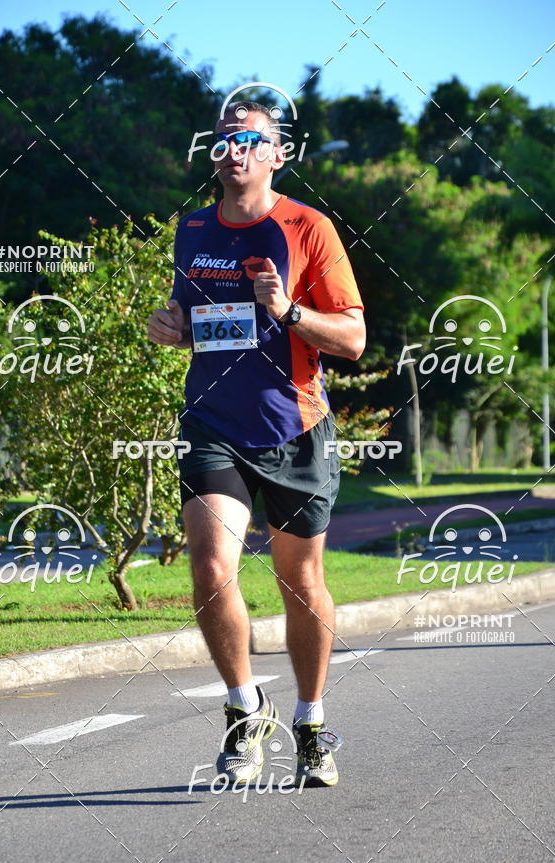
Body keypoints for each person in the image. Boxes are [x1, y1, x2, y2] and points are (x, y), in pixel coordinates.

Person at [147, 100, 366, 787]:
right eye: (224, 139)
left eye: (250, 140)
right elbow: (202, 322)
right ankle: (245, 712)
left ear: (276, 154)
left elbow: (355, 340)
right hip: (213, 424)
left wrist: (288, 310)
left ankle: (309, 721)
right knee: (212, 567)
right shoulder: (192, 228)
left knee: (300, 585)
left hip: (294, 428)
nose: (234, 150)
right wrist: (172, 328)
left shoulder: (308, 228)